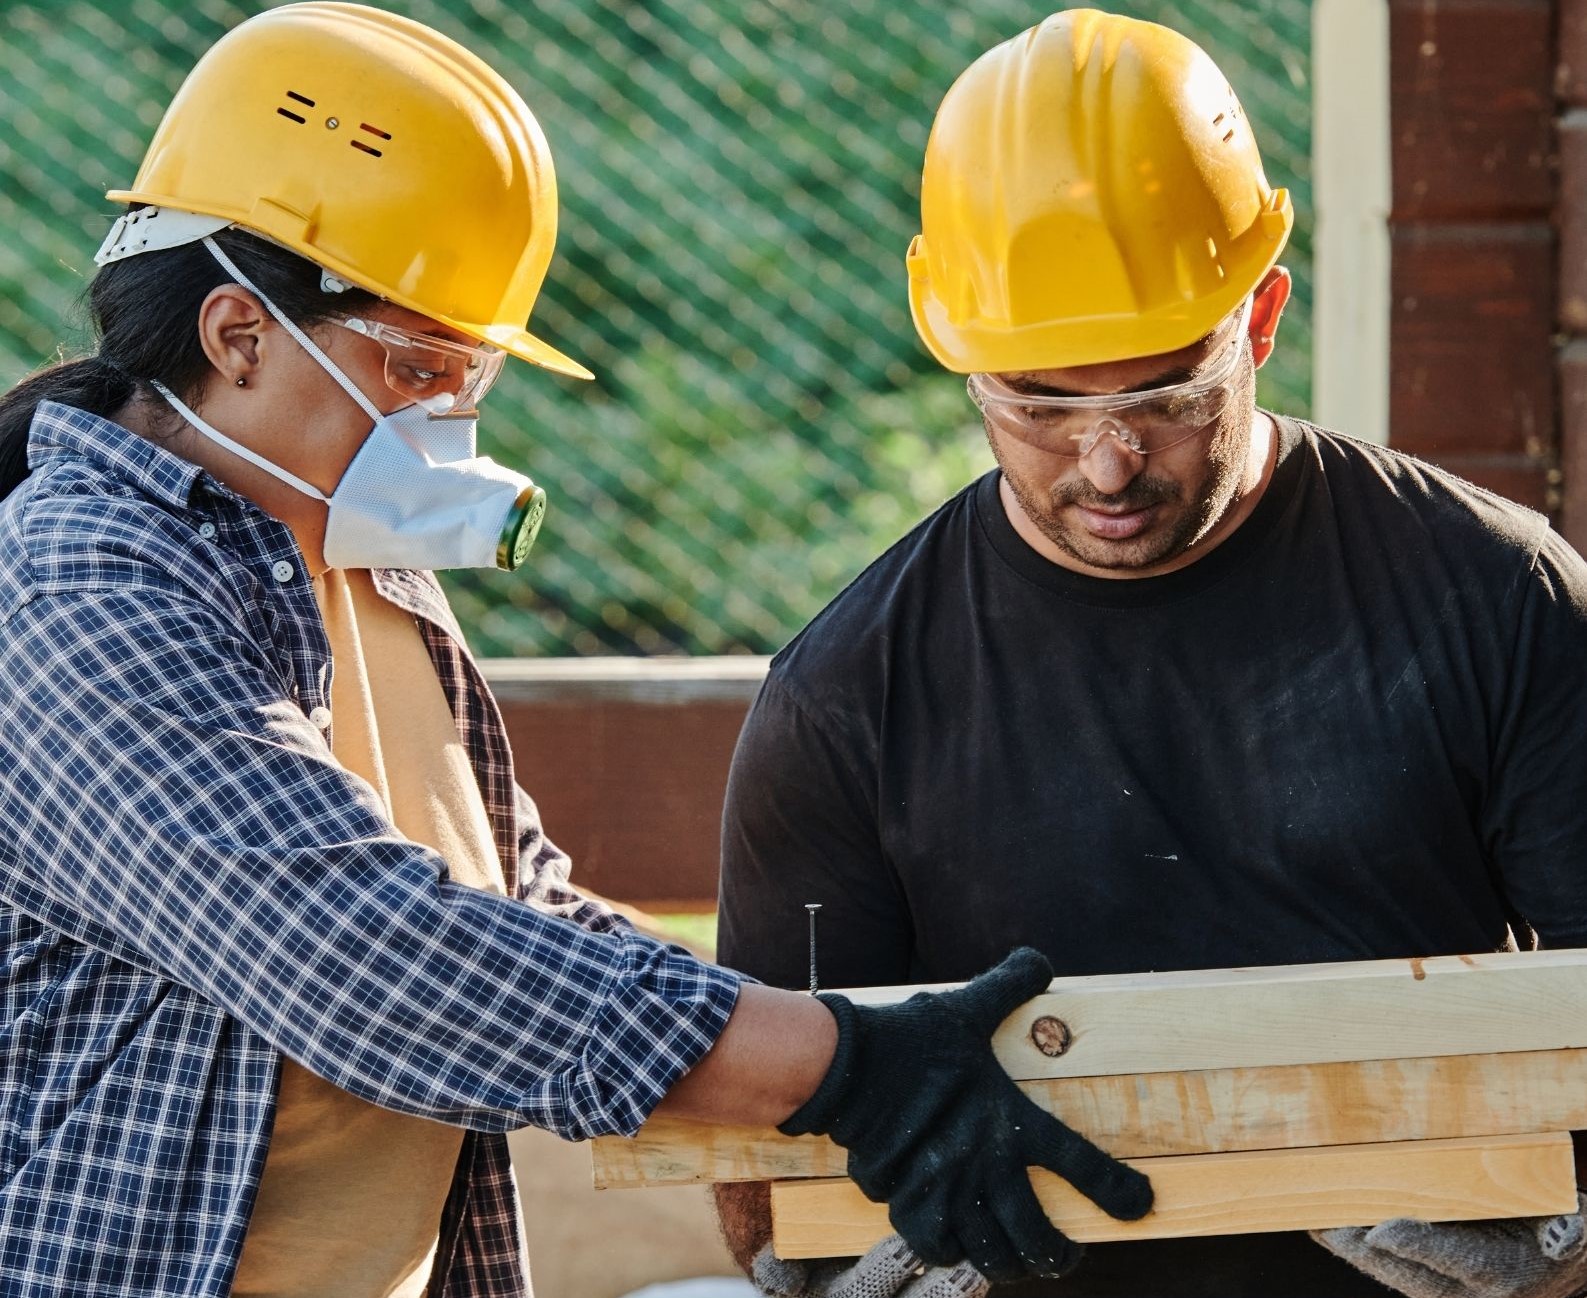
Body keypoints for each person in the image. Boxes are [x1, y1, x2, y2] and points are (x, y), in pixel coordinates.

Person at [0, 7, 1154, 1297]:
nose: (451, 420)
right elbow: (356, 950)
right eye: (418, 364)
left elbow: (519, 908)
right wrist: (843, 1065)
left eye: (475, 376)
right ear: (238, 337)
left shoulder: (361, 563)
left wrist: (842, 1047)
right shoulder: (78, 590)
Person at [713, 10, 1587, 1298]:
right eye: (1041, 404)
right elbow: (760, 1156)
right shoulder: (849, 695)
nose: (1107, 461)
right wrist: (837, 1272)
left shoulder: (1499, 599)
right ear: (960, 358)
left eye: (1166, 396)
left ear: (1264, 314)